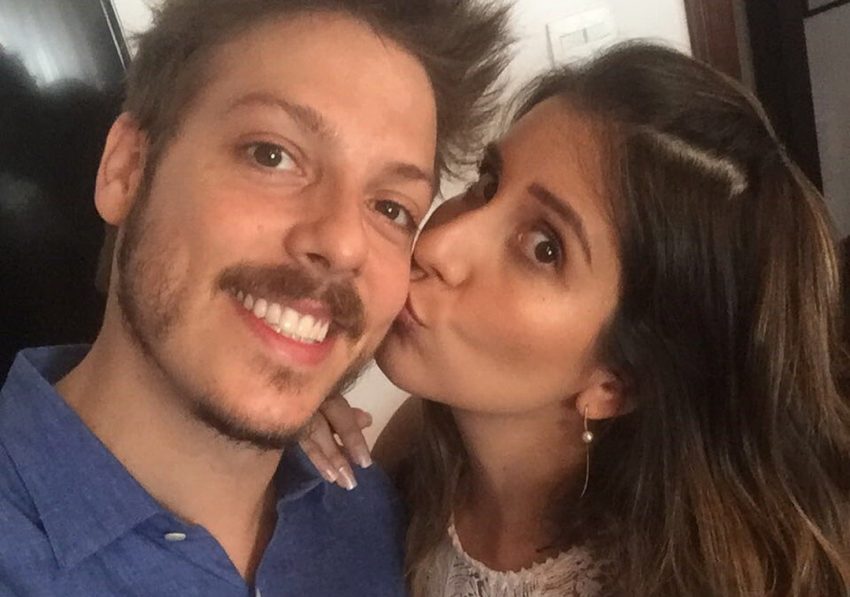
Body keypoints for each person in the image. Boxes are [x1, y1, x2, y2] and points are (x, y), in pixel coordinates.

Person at [0, 0, 510, 595]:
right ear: (127, 171)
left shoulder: (368, 512)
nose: (344, 243)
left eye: (391, 208)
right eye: (273, 155)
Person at [302, 43, 850, 596]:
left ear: (615, 383)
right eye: (487, 184)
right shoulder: (421, 451)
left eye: (544, 249)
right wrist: (278, 442)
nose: (437, 244)